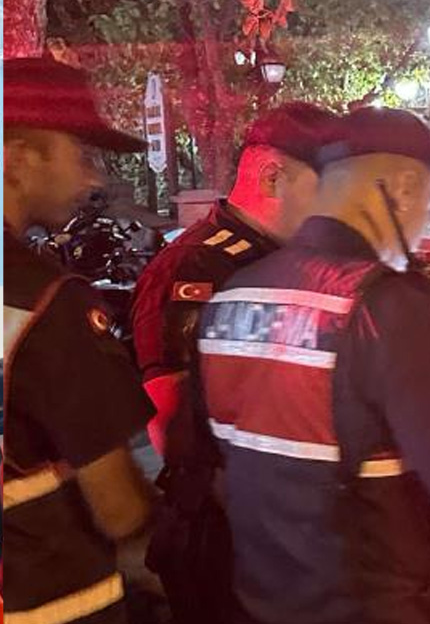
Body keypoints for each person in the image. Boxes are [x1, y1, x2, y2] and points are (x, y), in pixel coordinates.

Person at [194, 107, 430, 624]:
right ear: (403, 190)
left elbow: (223, 475)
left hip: (265, 605)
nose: (421, 227)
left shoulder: (234, 293)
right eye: (427, 204)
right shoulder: (387, 308)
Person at [130, 102, 338, 623]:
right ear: (273, 177)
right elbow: (173, 427)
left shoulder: (290, 261)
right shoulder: (197, 270)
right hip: (231, 541)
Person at [3, 56, 156, 624]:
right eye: (81, 154)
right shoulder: (47, 301)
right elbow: (118, 507)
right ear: (19, 158)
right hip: (51, 601)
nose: (93, 179)